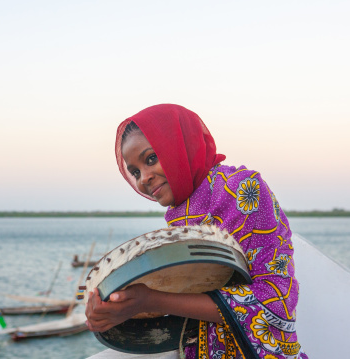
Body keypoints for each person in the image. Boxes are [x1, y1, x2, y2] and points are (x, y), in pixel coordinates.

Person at [85, 104, 308, 359]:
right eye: (135, 172)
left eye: (150, 159)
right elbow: (188, 307)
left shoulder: (241, 189)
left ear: (179, 145)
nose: (143, 178)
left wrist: (152, 300)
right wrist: (114, 312)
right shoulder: (180, 218)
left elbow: (277, 300)